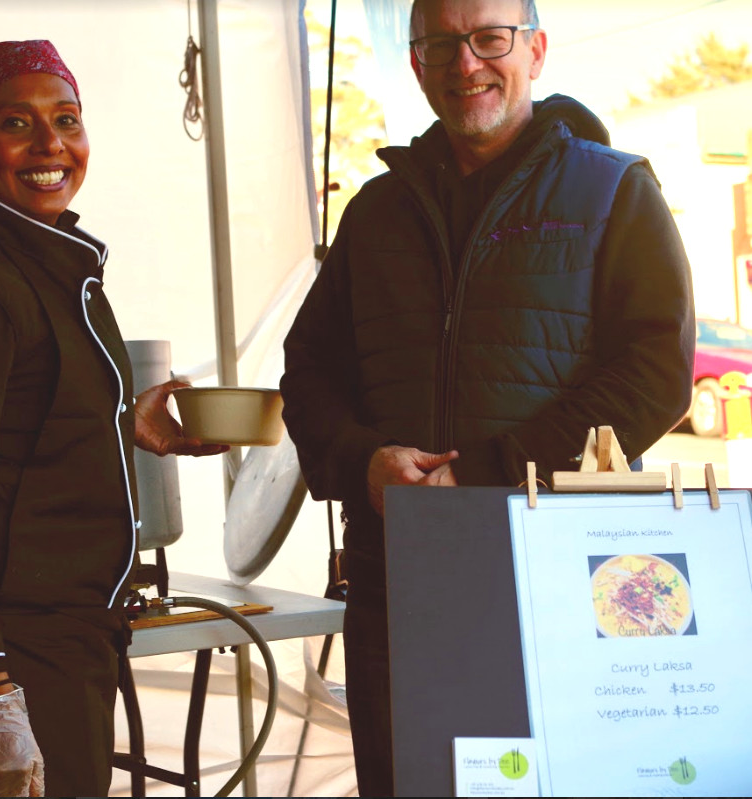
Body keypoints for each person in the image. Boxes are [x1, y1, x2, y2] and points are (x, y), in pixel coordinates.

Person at [280, 0, 695, 794]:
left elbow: (653, 376)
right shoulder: (374, 212)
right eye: (442, 45)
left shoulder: (614, 191)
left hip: (558, 579)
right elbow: (309, 370)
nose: (465, 63)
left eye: (488, 40)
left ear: (534, 51)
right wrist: (358, 461)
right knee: (411, 781)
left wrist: (491, 470)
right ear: (415, 64)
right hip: (396, 579)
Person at [0, 40, 225, 798]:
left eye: (66, 119)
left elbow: (6, 429)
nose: (50, 145)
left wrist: (121, 424)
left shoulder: (42, 261)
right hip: (9, 649)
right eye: (15, 124)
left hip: (61, 637)